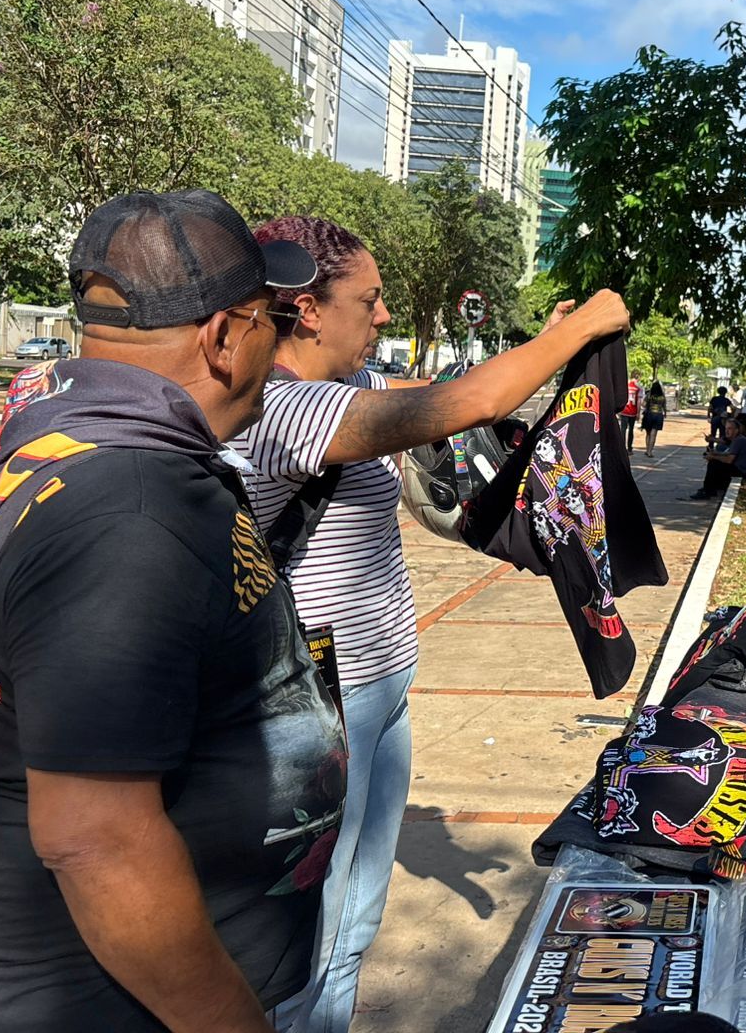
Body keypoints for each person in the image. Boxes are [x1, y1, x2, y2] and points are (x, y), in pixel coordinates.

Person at [0, 190, 344, 1033]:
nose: (280, 348)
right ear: (223, 337)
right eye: (271, 322)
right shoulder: (130, 513)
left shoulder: (107, 452)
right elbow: (96, 839)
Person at [226, 215, 630, 1033]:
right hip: (321, 706)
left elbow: (450, 400)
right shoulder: (280, 408)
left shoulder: (353, 388)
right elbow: (461, 403)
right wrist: (577, 331)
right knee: (313, 934)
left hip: (381, 688)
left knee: (355, 921)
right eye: (369, 300)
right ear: (309, 310)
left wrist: (543, 347)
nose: (382, 315)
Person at [690, 415, 746, 499]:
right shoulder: (736, 439)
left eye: (730, 429)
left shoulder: (739, 440)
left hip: (742, 471)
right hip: (739, 468)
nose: (727, 431)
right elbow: (728, 453)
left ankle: (707, 491)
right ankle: (712, 488)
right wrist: (715, 453)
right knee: (715, 462)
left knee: (714, 463)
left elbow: (729, 460)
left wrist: (713, 457)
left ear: (736, 430)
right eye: (726, 429)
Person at [641, 380, 667, 457]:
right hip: (658, 415)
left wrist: (648, 406)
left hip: (649, 414)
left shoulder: (649, 395)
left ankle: (647, 450)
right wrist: (665, 414)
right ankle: (650, 451)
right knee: (653, 434)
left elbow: (643, 404)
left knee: (648, 433)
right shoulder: (662, 397)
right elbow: (664, 406)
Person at [620, 374, 642, 452]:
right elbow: (639, 402)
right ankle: (629, 448)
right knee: (631, 430)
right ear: (638, 378)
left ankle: (622, 447)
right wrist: (638, 413)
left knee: (623, 429)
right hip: (633, 412)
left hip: (624, 410)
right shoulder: (638, 388)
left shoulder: (626, 386)